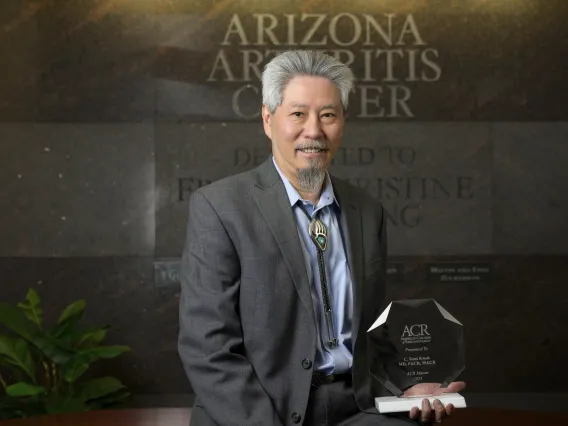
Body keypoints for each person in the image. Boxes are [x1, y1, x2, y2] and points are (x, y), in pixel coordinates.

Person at [178, 50, 466, 426]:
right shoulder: (219, 207)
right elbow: (207, 348)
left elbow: (371, 333)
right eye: (297, 114)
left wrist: (408, 385)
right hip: (261, 411)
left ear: (342, 123)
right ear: (268, 120)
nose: (313, 130)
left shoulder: (366, 210)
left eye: (328, 115)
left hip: (355, 407)